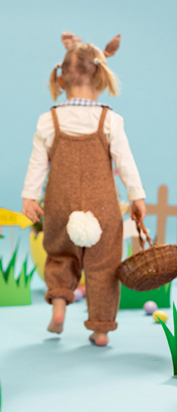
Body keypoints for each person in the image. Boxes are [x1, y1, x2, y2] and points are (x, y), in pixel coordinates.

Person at [21, 31, 146, 346]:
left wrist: (30, 197)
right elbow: (126, 163)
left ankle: (59, 308)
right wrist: (137, 197)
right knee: (104, 264)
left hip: (60, 203)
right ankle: (101, 330)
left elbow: (37, 164)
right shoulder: (110, 120)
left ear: (60, 80)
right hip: (102, 205)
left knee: (60, 254)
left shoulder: (48, 120)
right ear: (101, 78)